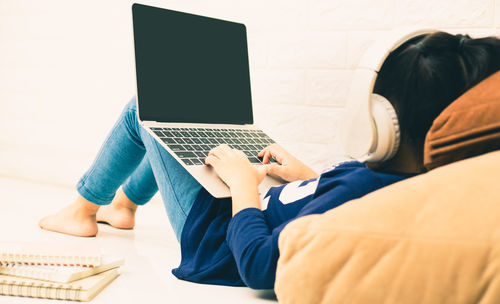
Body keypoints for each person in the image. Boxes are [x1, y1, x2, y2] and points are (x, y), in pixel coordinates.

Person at [39, 31, 500, 289]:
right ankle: (123, 207)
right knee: (185, 131)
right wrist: (305, 177)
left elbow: (259, 266)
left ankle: (84, 209)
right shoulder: (394, 181)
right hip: (249, 203)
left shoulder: (371, 191)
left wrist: (243, 187)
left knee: (148, 106)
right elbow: (335, 203)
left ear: (383, 120)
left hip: (215, 239)